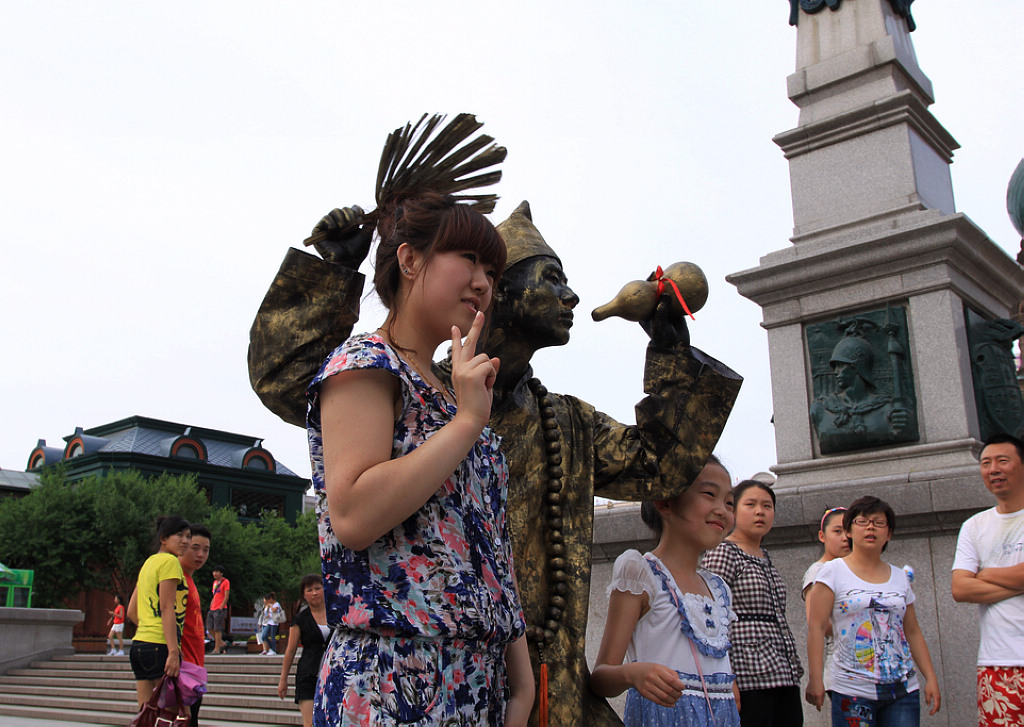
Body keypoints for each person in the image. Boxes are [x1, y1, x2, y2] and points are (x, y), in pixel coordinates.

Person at [248, 199, 742, 726]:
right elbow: (300, 386)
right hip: (401, 678)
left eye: (490, 268)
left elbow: (663, 465)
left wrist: (669, 347)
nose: (569, 295)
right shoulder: (401, 378)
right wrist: (336, 273)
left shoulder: (565, 422)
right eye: (549, 278)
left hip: (525, 691)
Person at [308, 189, 532, 725]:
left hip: (480, 680)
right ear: (409, 260)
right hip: (392, 674)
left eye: (492, 270)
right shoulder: (366, 363)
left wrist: (520, 680)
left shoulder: (456, 393)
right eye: (470, 260)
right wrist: (468, 423)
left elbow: (489, 537)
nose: (484, 282)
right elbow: (354, 516)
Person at [591, 456, 740, 726]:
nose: (722, 510)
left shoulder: (719, 588)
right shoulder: (640, 572)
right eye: (710, 494)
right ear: (665, 502)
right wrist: (633, 674)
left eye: (729, 502)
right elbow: (601, 677)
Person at [806, 496, 940, 725]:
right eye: (862, 521)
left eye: (879, 523)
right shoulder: (832, 572)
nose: (870, 527)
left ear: (888, 534)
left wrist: (931, 677)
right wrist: (816, 679)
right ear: (848, 530)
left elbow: (913, 631)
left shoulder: (900, 577)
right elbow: (816, 627)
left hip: (902, 689)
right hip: (851, 689)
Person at [701, 480, 804, 727]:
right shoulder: (724, 552)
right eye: (751, 504)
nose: (760, 511)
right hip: (748, 676)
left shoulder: (765, 556)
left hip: (782, 671)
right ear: (733, 511)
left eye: (767, 506)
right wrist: (726, 680)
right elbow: (710, 615)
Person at [952, 433, 1024, 726]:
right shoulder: (974, 526)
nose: (993, 469)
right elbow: (960, 588)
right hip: (998, 663)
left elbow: (973, 583)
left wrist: (988, 574)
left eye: (1002, 461)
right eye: (985, 463)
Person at [126, 516, 191, 709]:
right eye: (179, 535)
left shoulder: (149, 563)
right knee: (178, 713)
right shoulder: (170, 563)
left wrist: (149, 629)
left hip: (139, 645)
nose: (185, 541)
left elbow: (131, 611)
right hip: (160, 646)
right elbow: (166, 607)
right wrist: (172, 650)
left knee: (145, 714)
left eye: (188, 536)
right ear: (163, 538)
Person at [801, 508, 850, 688]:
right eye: (838, 531)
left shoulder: (852, 569)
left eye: (849, 531)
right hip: (841, 668)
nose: (845, 537)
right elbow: (816, 623)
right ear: (822, 536)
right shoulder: (819, 571)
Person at [278, 574, 330, 727]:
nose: (314, 593)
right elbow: (290, 650)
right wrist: (283, 679)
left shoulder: (336, 614)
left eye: (317, 588)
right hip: (308, 674)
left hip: (333, 673)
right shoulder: (300, 619)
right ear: (304, 595)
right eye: (309, 590)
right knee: (310, 722)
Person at [179, 523, 211, 727]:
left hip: (195, 666)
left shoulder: (189, 580)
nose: (200, 554)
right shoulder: (174, 577)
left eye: (206, 550)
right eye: (195, 547)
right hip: (182, 664)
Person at [207, 565, 230, 655]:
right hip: (212, 608)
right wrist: (211, 604)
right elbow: (214, 595)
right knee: (209, 627)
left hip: (220, 608)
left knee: (217, 628)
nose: (214, 574)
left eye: (217, 572)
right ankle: (221, 643)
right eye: (214, 572)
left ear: (221, 573)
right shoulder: (215, 583)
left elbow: (226, 596)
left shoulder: (225, 582)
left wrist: (221, 607)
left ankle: (217, 649)